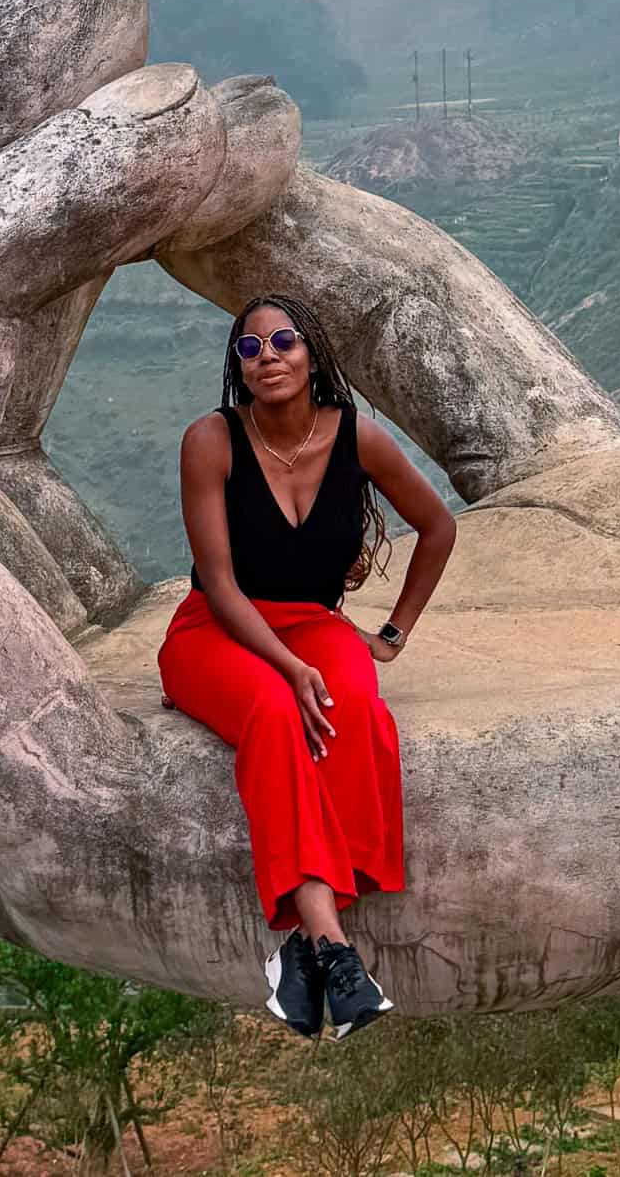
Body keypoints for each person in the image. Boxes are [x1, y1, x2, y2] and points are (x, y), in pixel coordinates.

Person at [158, 293, 457, 1040]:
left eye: (283, 342)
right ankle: (334, 946)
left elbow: (438, 525)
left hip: (313, 625)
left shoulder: (361, 440)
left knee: (356, 702)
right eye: (249, 350)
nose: (268, 359)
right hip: (216, 632)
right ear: (238, 369)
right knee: (272, 709)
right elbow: (220, 586)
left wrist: (391, 633)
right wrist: (290, 667)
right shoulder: (213, 441)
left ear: (313, 354)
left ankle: (300, 948)